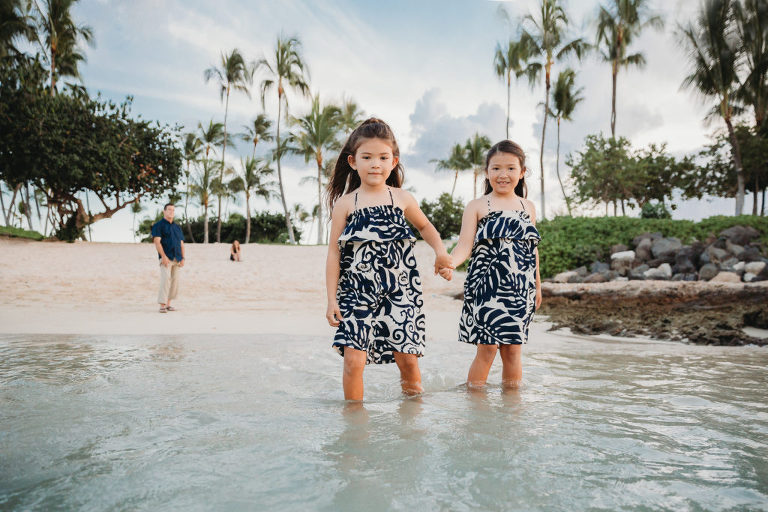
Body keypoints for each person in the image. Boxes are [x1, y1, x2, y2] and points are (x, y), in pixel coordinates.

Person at [325, 118, 454, 401]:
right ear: (353, 161)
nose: (375, 164)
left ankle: (412, 422)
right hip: (356, 294)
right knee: (353, 362)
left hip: (401, 293)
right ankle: (354, 427)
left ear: (393, 161)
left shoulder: (402, 198)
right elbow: (334, 252)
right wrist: (332, 299)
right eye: (367, 157)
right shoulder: (347, 204)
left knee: (407, 359)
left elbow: (425, 227)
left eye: (383, 157)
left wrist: (441, 252)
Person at [440, 140, 542, 389]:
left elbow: (532, 250)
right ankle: (477, 410)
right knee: (487, 349)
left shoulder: (527, 207)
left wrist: (538, 287)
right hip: (485, 287)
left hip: (520, 288)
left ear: (522, 172)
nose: (503, 175)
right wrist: (450, 262)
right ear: (487, 172)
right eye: (496, 168)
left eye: (510, 168)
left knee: (513, 351)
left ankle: (511, 411)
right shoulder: (477, 206)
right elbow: (465, 246)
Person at [151, 203, 185, 313]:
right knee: (165, 279)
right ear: (164, 211)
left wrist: (183, 258)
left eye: (173, 210)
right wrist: (163, 256)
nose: (171, 212)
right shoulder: (158, 225)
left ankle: (169, 304)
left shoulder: (177, 227)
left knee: (175, 281)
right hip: (166, 258)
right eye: (169, 210)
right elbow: (157, 242)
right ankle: (162, 305)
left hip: (177, 258)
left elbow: (181, 243)